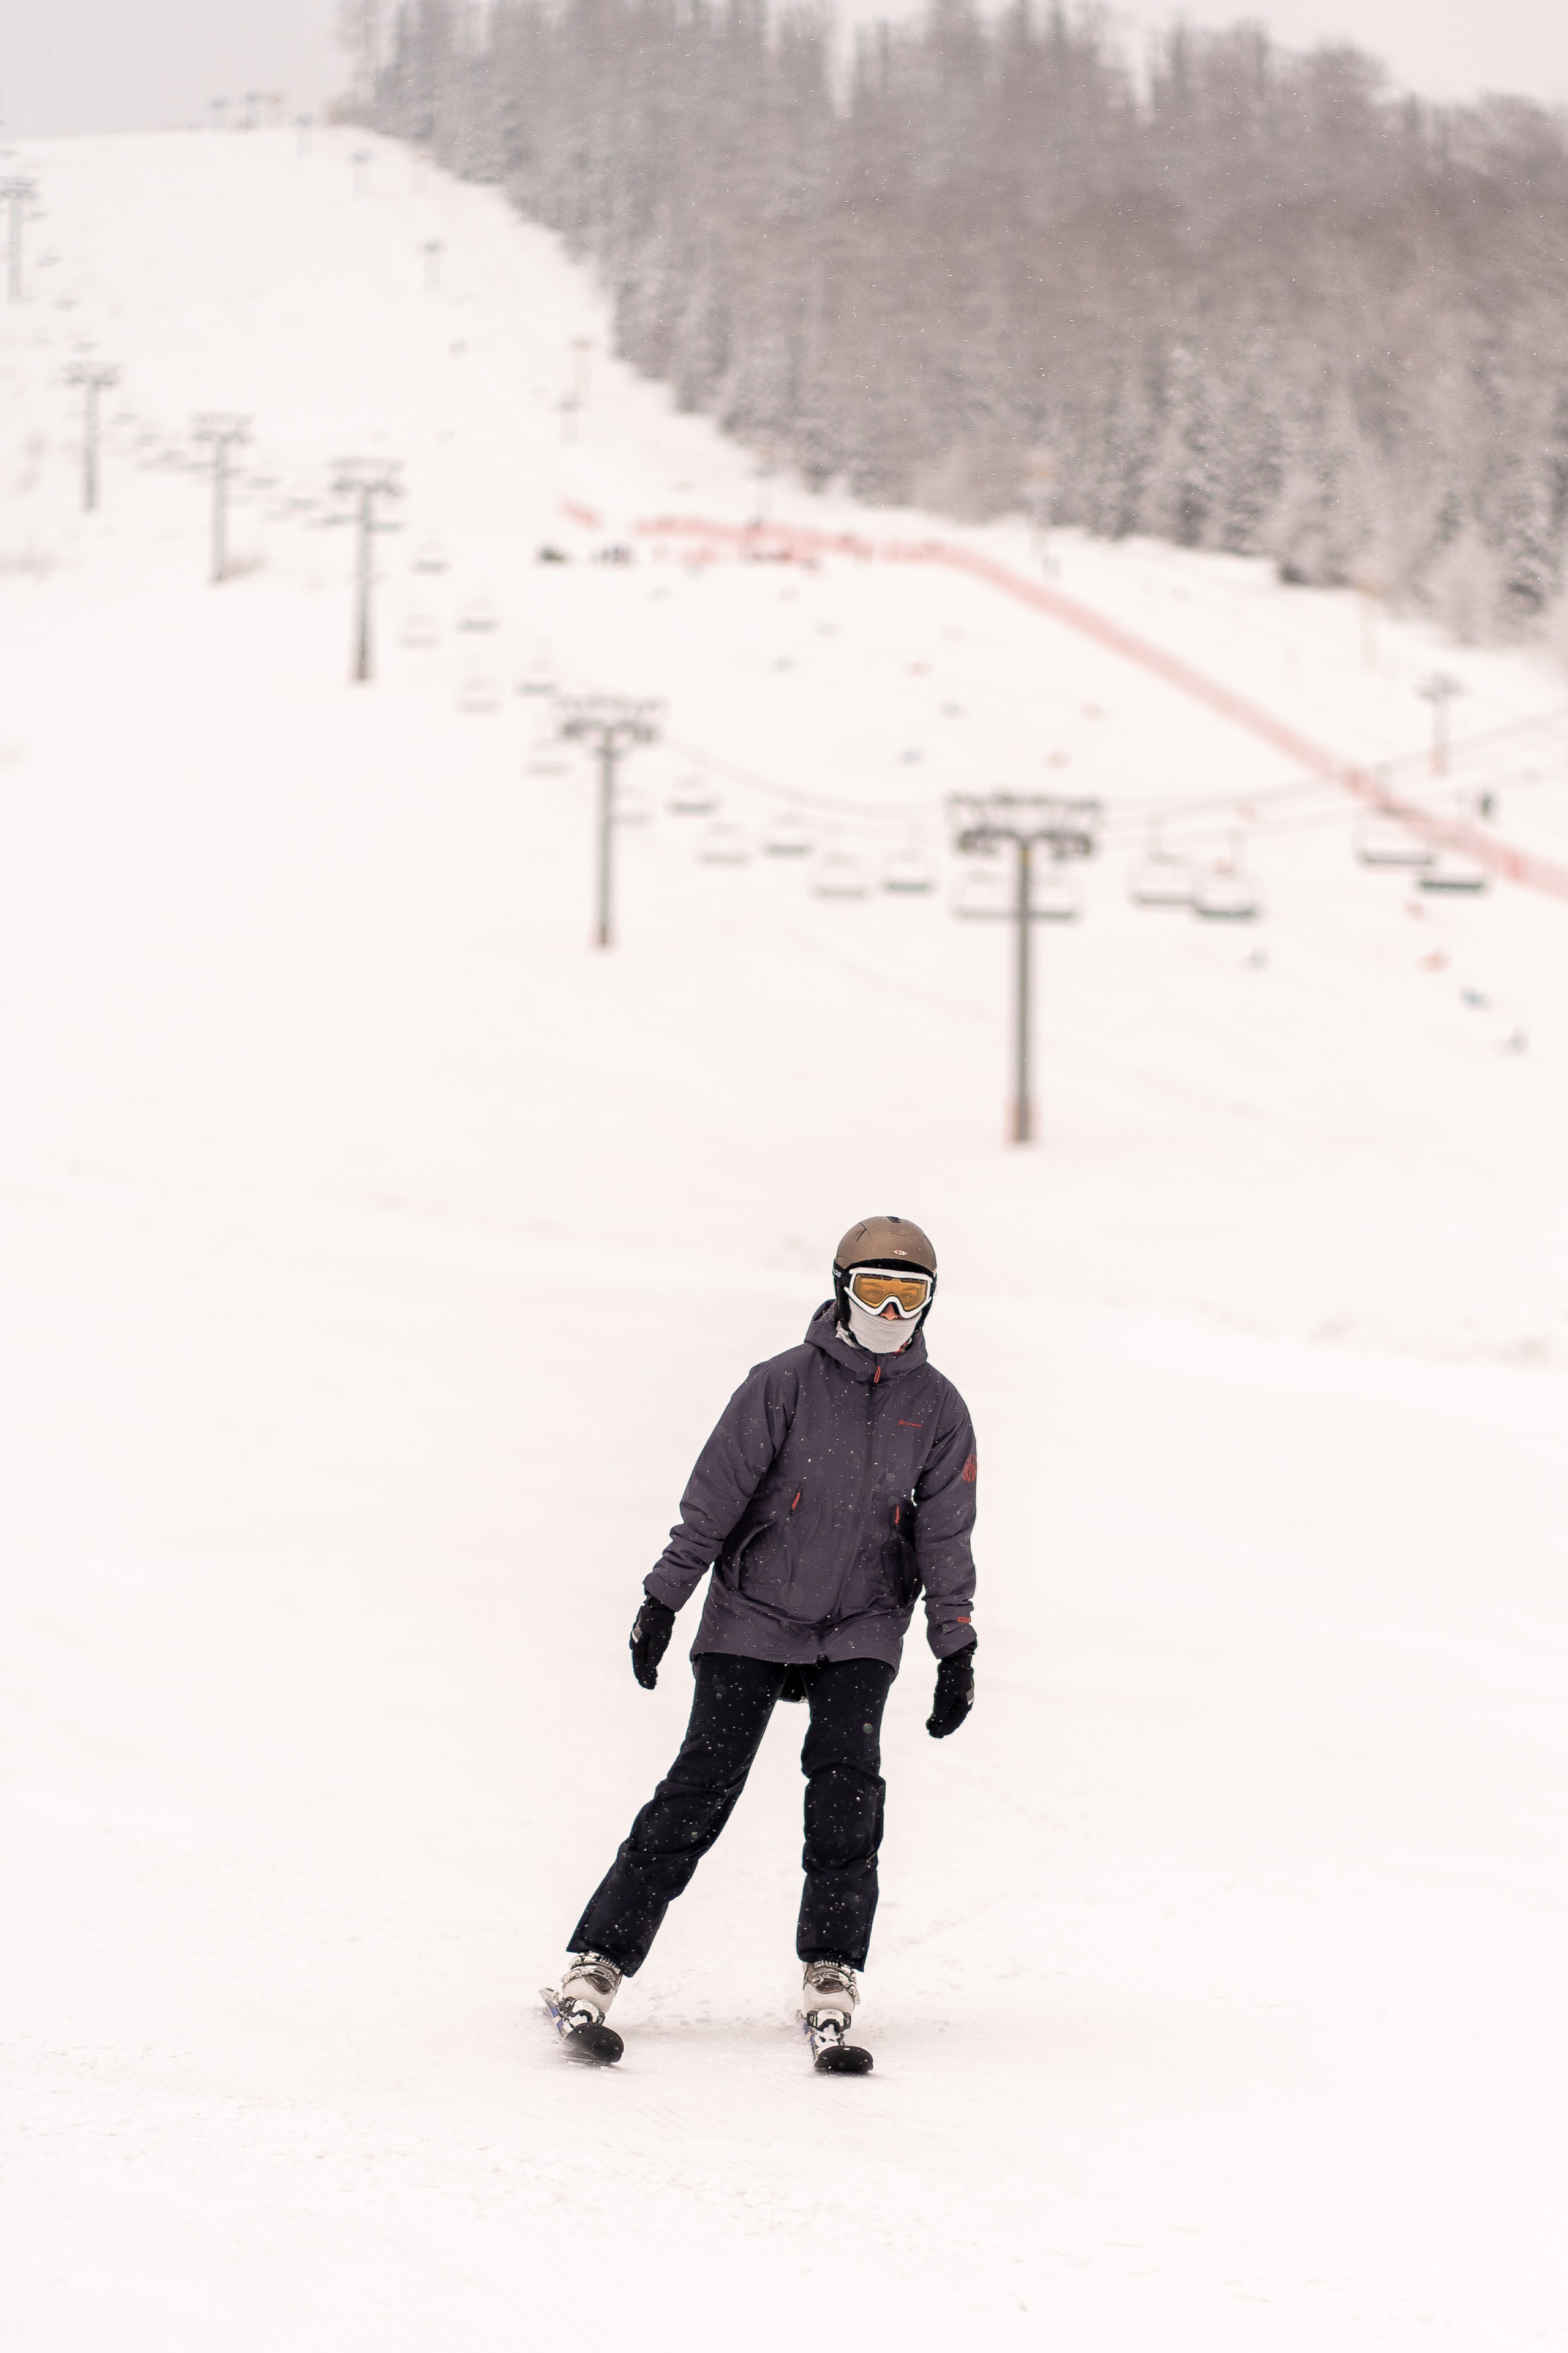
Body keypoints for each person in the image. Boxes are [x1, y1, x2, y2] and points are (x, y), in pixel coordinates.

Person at [546, 1215, 978, 2071]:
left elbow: (947, 1536)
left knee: (848, 1787)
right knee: (702, 1785)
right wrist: (664, 1597)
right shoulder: (781, 1384)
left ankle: (832, 1968)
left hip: (862, 1618)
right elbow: (712, 1500)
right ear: (839, 1291)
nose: (892, 1311)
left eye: (911, 1295)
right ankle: (597, 1959)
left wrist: (954, 1642)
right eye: (875, 1292)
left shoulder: (937, 1409)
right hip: (754, 1610)